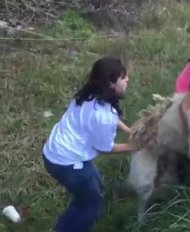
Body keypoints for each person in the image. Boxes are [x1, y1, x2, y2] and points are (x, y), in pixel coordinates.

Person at [41, 57, 137, 232]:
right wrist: (134, 147)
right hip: (67, 164)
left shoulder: (89, 94)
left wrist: (129, 130)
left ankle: (77, 208)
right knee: (90, 207)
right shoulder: (102, 116)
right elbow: (106, 148)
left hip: (54, 151)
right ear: (110, 83)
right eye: (123, 77)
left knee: (94, 187)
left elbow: (111, 118)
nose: (127, 79)